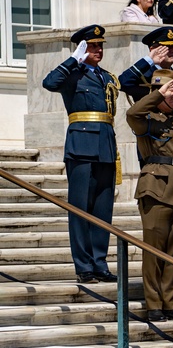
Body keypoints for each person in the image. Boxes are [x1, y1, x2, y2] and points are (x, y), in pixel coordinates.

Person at [42, 24, 120, 284]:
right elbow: (49, 82)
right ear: (82, 47)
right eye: (92, 46)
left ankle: (99, 262)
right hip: (81, 147)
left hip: (106, 147)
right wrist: (74, 58)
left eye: (100, 45)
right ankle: (84, 265)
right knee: (80, 209)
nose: (98, 50)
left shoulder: (107, 77)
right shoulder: (72, 74)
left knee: (102, 209)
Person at [125, 69, 173, 321]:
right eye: (172, 91)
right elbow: (131, 113)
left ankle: (170, 303)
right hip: (156, 191)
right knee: (154, 251)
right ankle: (153, 304)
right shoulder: (147, 119)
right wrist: (157, 94)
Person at [119, 26, 173, 103]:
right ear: (153, 50)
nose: (172, 50)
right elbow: (122, 83)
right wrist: (148, 60)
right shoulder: (143, 77)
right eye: (167, 47)